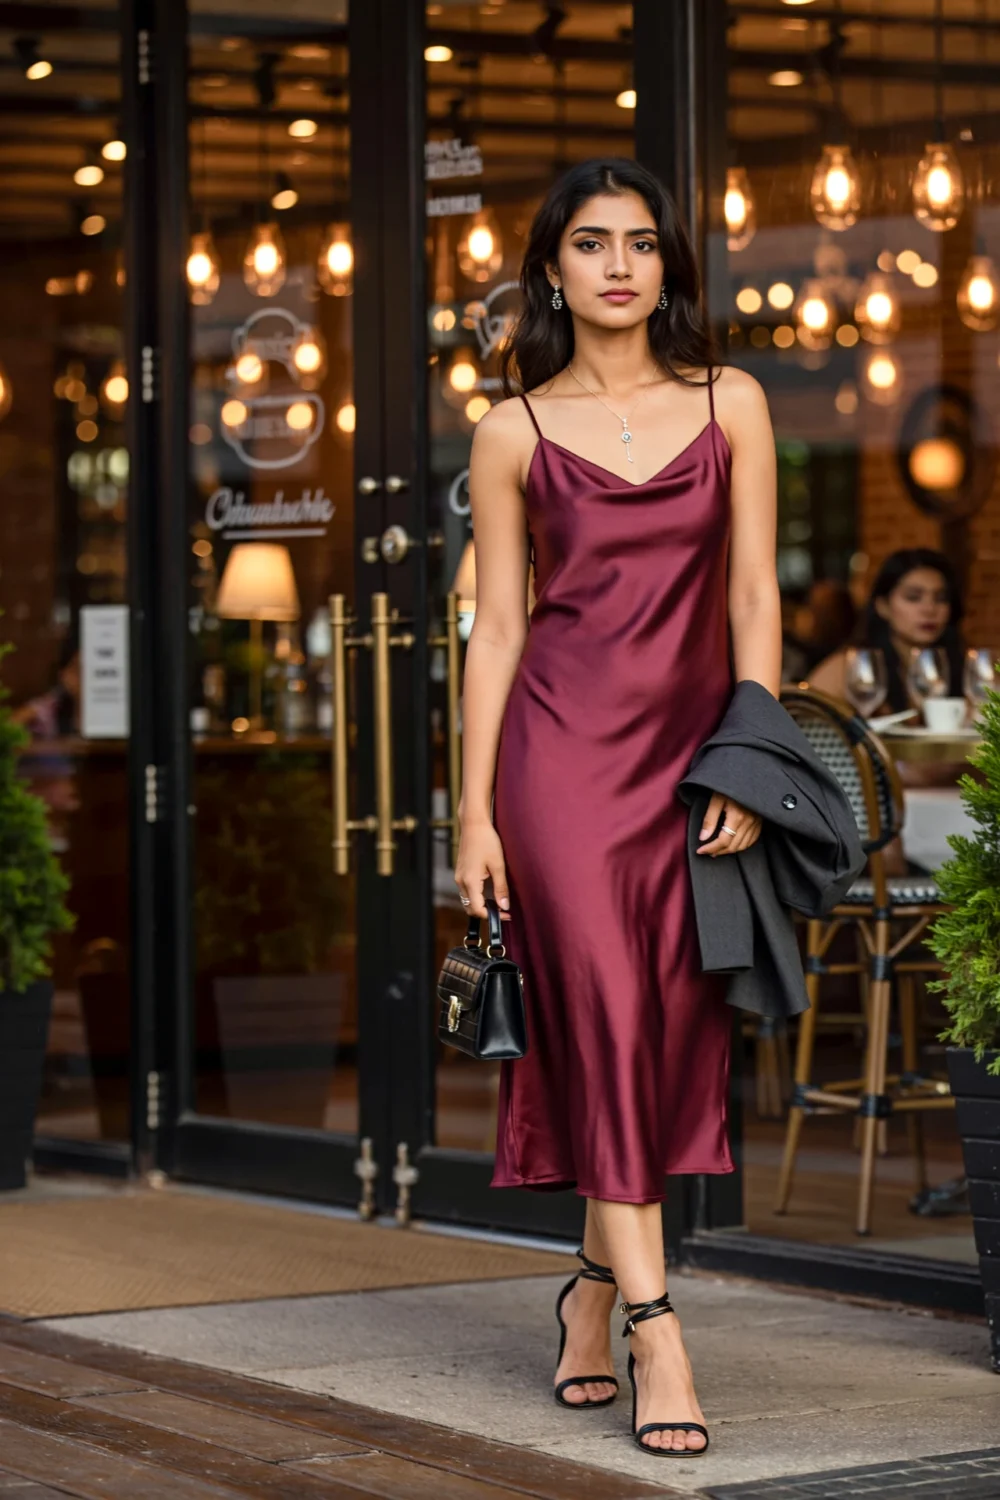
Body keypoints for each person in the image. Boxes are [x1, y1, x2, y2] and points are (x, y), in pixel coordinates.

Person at [454, 158, 781, 1458]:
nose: (619, 266)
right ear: (552, 271)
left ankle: (588, 1293)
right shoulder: (511, 432)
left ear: (666, 265)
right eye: (591, 244)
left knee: (653, 1032)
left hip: (693, 758)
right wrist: (472, 814)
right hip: (558, 767)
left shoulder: (730, 402)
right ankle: (657, 1326)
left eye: (641, 243)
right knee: (597, 1018)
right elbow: (497, 631)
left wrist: (749, 763)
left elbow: (753, 597)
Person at [809, 548, 964, 712]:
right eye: (913, 597)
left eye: (941, 598)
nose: (929, 609)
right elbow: (801, 714)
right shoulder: (851, 667)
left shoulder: (958, 666)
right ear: (883, 606)